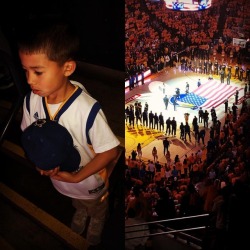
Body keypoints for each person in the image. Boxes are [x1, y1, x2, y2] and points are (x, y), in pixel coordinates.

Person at [17, 17, 120, 248]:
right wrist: (40, 164)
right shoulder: (31, 100)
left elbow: (110, 151)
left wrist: (77, 176)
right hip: (63, 181)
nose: (29, 80)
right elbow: (29, 136)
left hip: (88, 180)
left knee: (96, 204)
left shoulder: (87, 110)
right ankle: (82, 211)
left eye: (38, 71)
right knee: (76, 202)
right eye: (25, 71)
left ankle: (97, 219)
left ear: (67, 68)